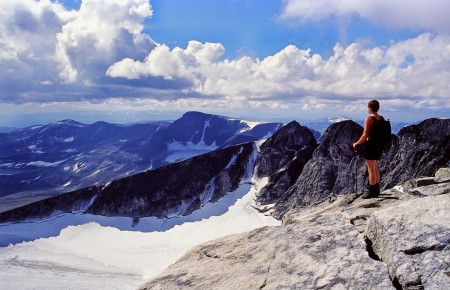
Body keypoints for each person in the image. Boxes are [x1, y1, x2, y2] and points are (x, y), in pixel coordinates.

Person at [352, 100, 384, 198]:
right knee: (375, 168)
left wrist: (357, 144)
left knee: (371, 170)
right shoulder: (381, 118)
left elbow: (365, 134)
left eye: (368, 107)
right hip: (379, 145)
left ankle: (372, 192)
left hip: (371, 145)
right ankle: (377, 190)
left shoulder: (369, 119)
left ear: (370, 108)